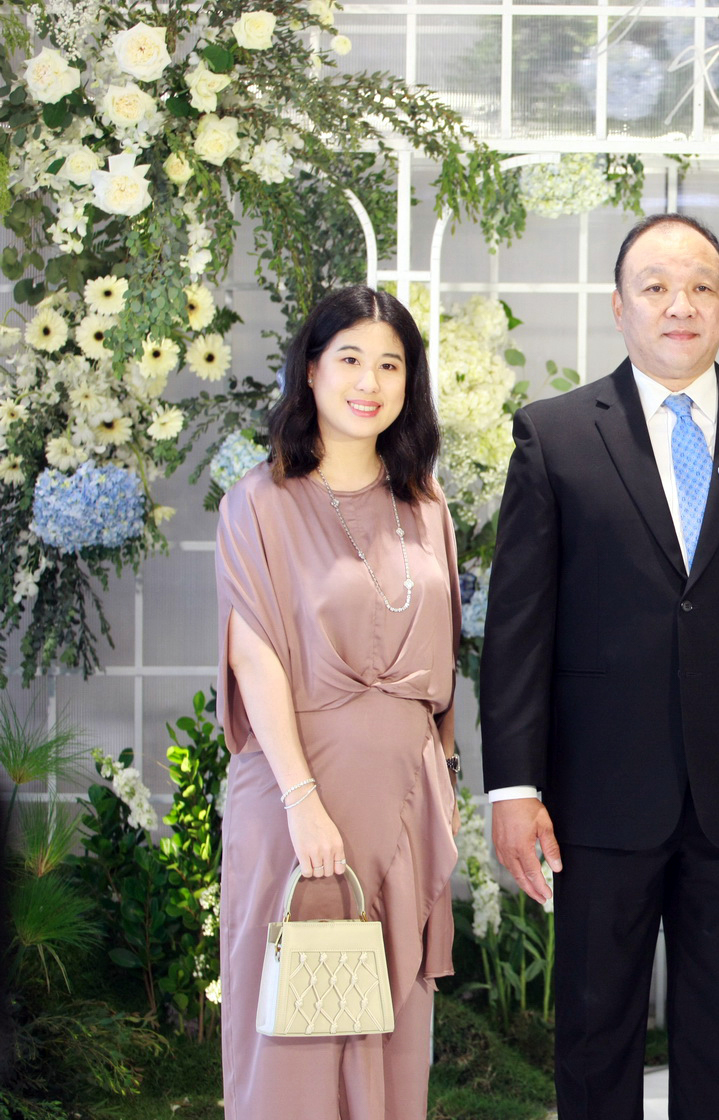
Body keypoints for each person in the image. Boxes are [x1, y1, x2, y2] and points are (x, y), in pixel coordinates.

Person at [478, 213, 719, 1119]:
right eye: (656, 287)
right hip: (597, 794)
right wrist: (512, 789)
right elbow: (519, 631)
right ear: (619, 308)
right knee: (593, 1032)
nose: (679, 305)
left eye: (700, 287)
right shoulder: (556, 434)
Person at [216, 285, 462, 1120]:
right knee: (293, 1023)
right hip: (300, 795)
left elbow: (443, 670)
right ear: (312, 372)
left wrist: (445, 782)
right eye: (350, 358)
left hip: (401, 802)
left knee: (392, 1023)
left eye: (391, 364)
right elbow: (254, 654)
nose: (371, 381)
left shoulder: (426, 506)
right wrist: (301, 800)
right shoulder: (259, 500)